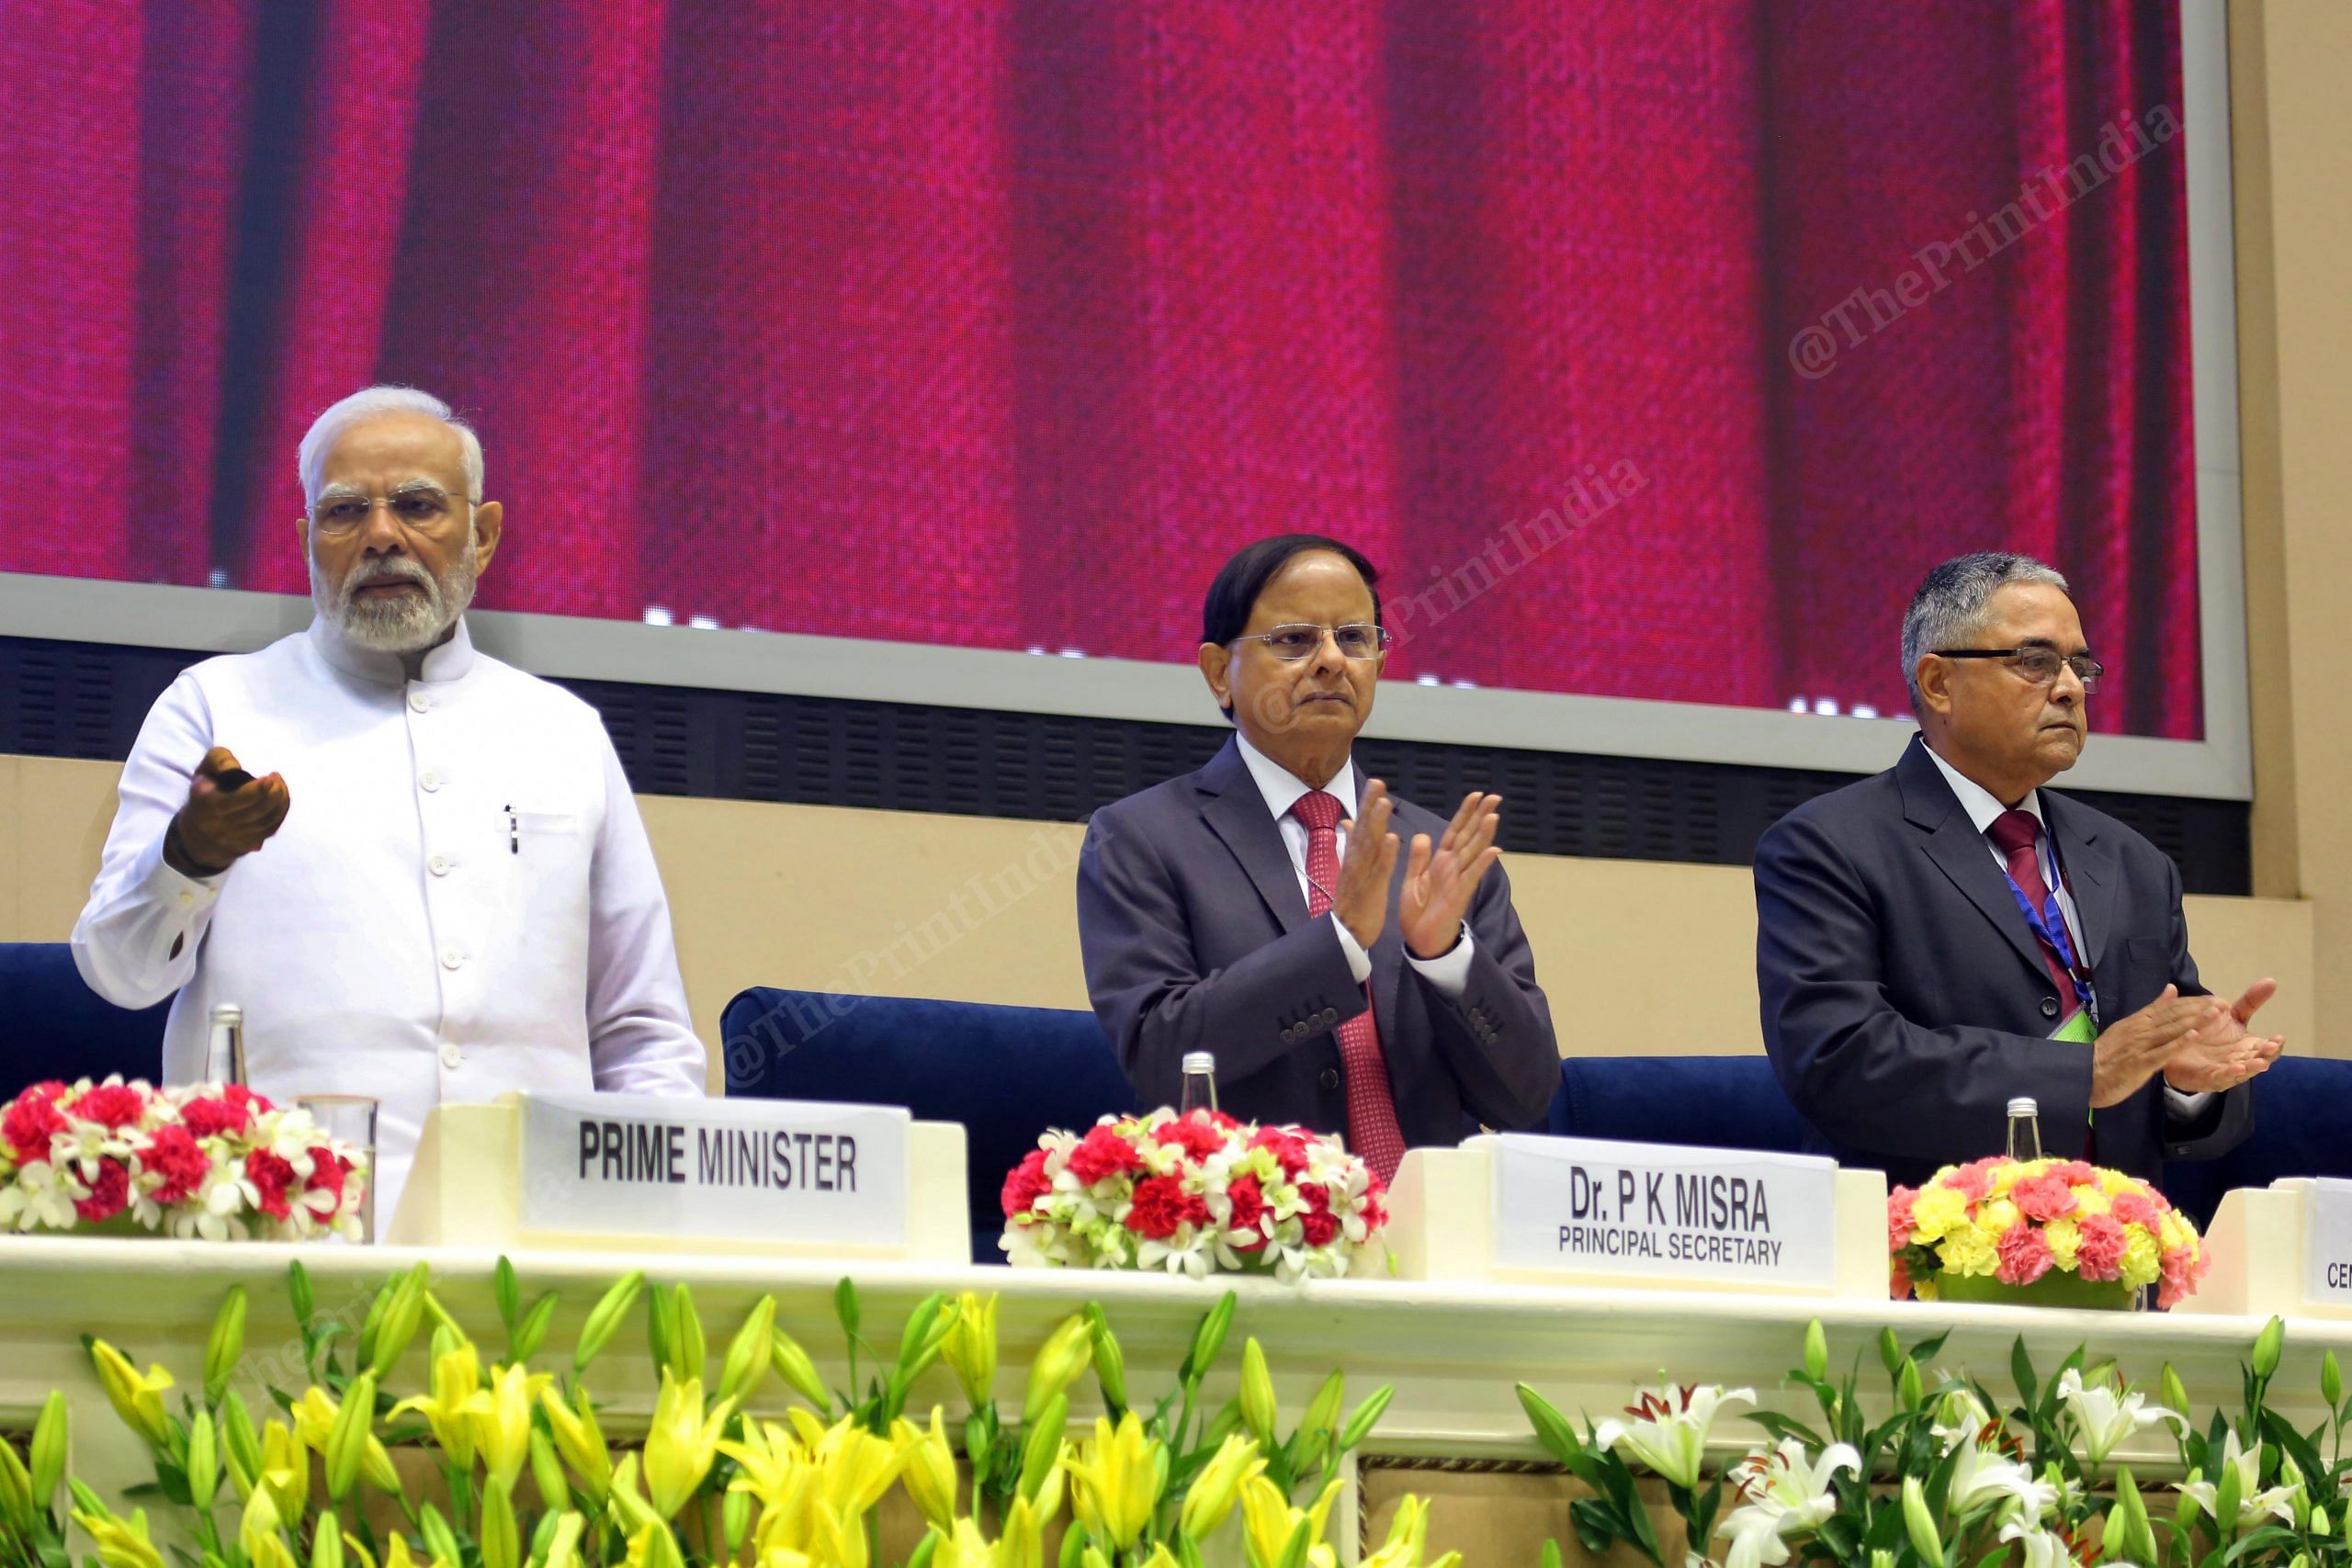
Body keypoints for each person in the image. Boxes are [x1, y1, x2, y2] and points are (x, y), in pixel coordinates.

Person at [72, 386, 706, 1226]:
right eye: (344, 513)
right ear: (306, 542)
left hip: (537, 1246)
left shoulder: (563, 733)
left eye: (417, 506)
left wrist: (650, 1233)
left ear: (482, 534)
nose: (380, 536)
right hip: (284, 1237)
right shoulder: (216, 709)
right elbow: (120, 974)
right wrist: (189, 858)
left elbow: (642, 1031)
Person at [1755, 552, 2280, 1188]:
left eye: (2079, 666)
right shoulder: (1830, 844)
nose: (2068, 687)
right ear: (1939, 683)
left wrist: (2182, 1081)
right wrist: (2081, 1075)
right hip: (1918, 1257)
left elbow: (2163, 1087)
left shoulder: (2133, 862)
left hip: (2114, 1258)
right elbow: (1837, 1060)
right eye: (2035, 662)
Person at [1076, 535, 1558, 1179]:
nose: (1332, 660)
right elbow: (1166, 1055)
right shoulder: (1142, 838)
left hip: (1430, 1247)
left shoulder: (1443, 857)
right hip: (1258, 1244)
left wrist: (1447, 957)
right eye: (1295, 640)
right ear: (1220, 672)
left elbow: (1527, 1097)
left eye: (1356, 639)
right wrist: (1339, 945)